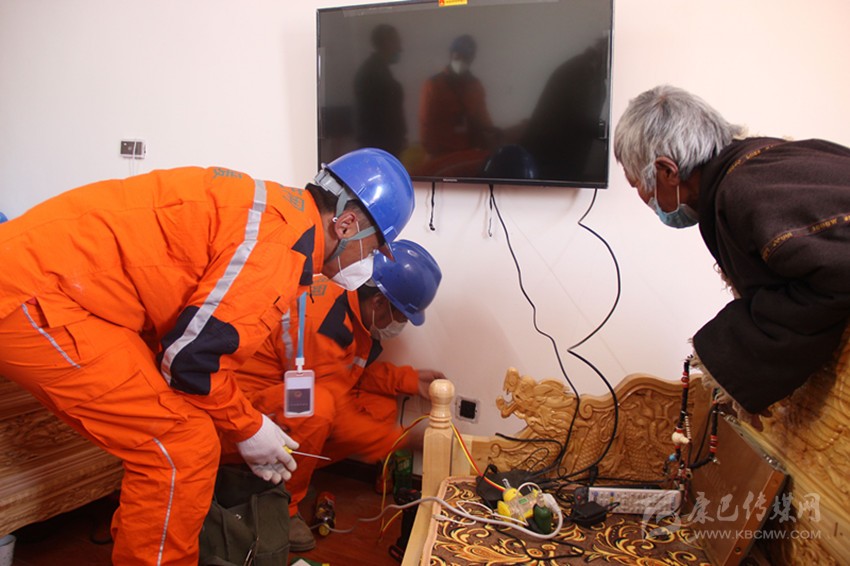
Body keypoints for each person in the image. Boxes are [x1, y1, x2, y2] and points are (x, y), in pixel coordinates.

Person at [0, 147, 415, 565]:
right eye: (374, 249)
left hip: (64, 288)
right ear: (346, 224)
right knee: (181, 447)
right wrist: (250, 428)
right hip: (35, 294)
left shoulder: (280, 214)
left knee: (185, 437)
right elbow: (192, 363)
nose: (369, 263)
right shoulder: (280, 248)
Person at [613, 85, 850, 427]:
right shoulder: (759, 163)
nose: (643, 196)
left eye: (637, 184)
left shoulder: (745, 191)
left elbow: (838, 268)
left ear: (667, 172)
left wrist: (733, 358)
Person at [226, 239, 444, 552]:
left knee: (378, 407)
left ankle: (281, 472)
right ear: (379, 303)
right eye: (401, 317)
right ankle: (279, 506)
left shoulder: (352, 307)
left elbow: (343, 374)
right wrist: (402, 439)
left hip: (284, 395)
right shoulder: (322, 322)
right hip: (240, 414)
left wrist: (405, 380)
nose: (401, 325)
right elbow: (331, 406)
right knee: (317, 407)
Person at [417, 34, 498, 177]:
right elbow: (426, 121)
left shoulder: (475, 86)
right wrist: (431, 151)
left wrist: (493, 134)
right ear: (451, 54)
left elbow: (483, 117)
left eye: (466, 56)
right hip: (441, 154)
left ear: (472, 58)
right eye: (458, 55)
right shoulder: (434, 84)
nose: (461, 60)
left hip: (468, 153)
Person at [353, 24, 407, 158]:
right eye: (397, 43)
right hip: (380, 150)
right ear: (386, 43)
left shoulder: (378, 70)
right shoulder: (372, 73)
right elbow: (380, 117)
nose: (400, 49)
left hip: (384, 148)